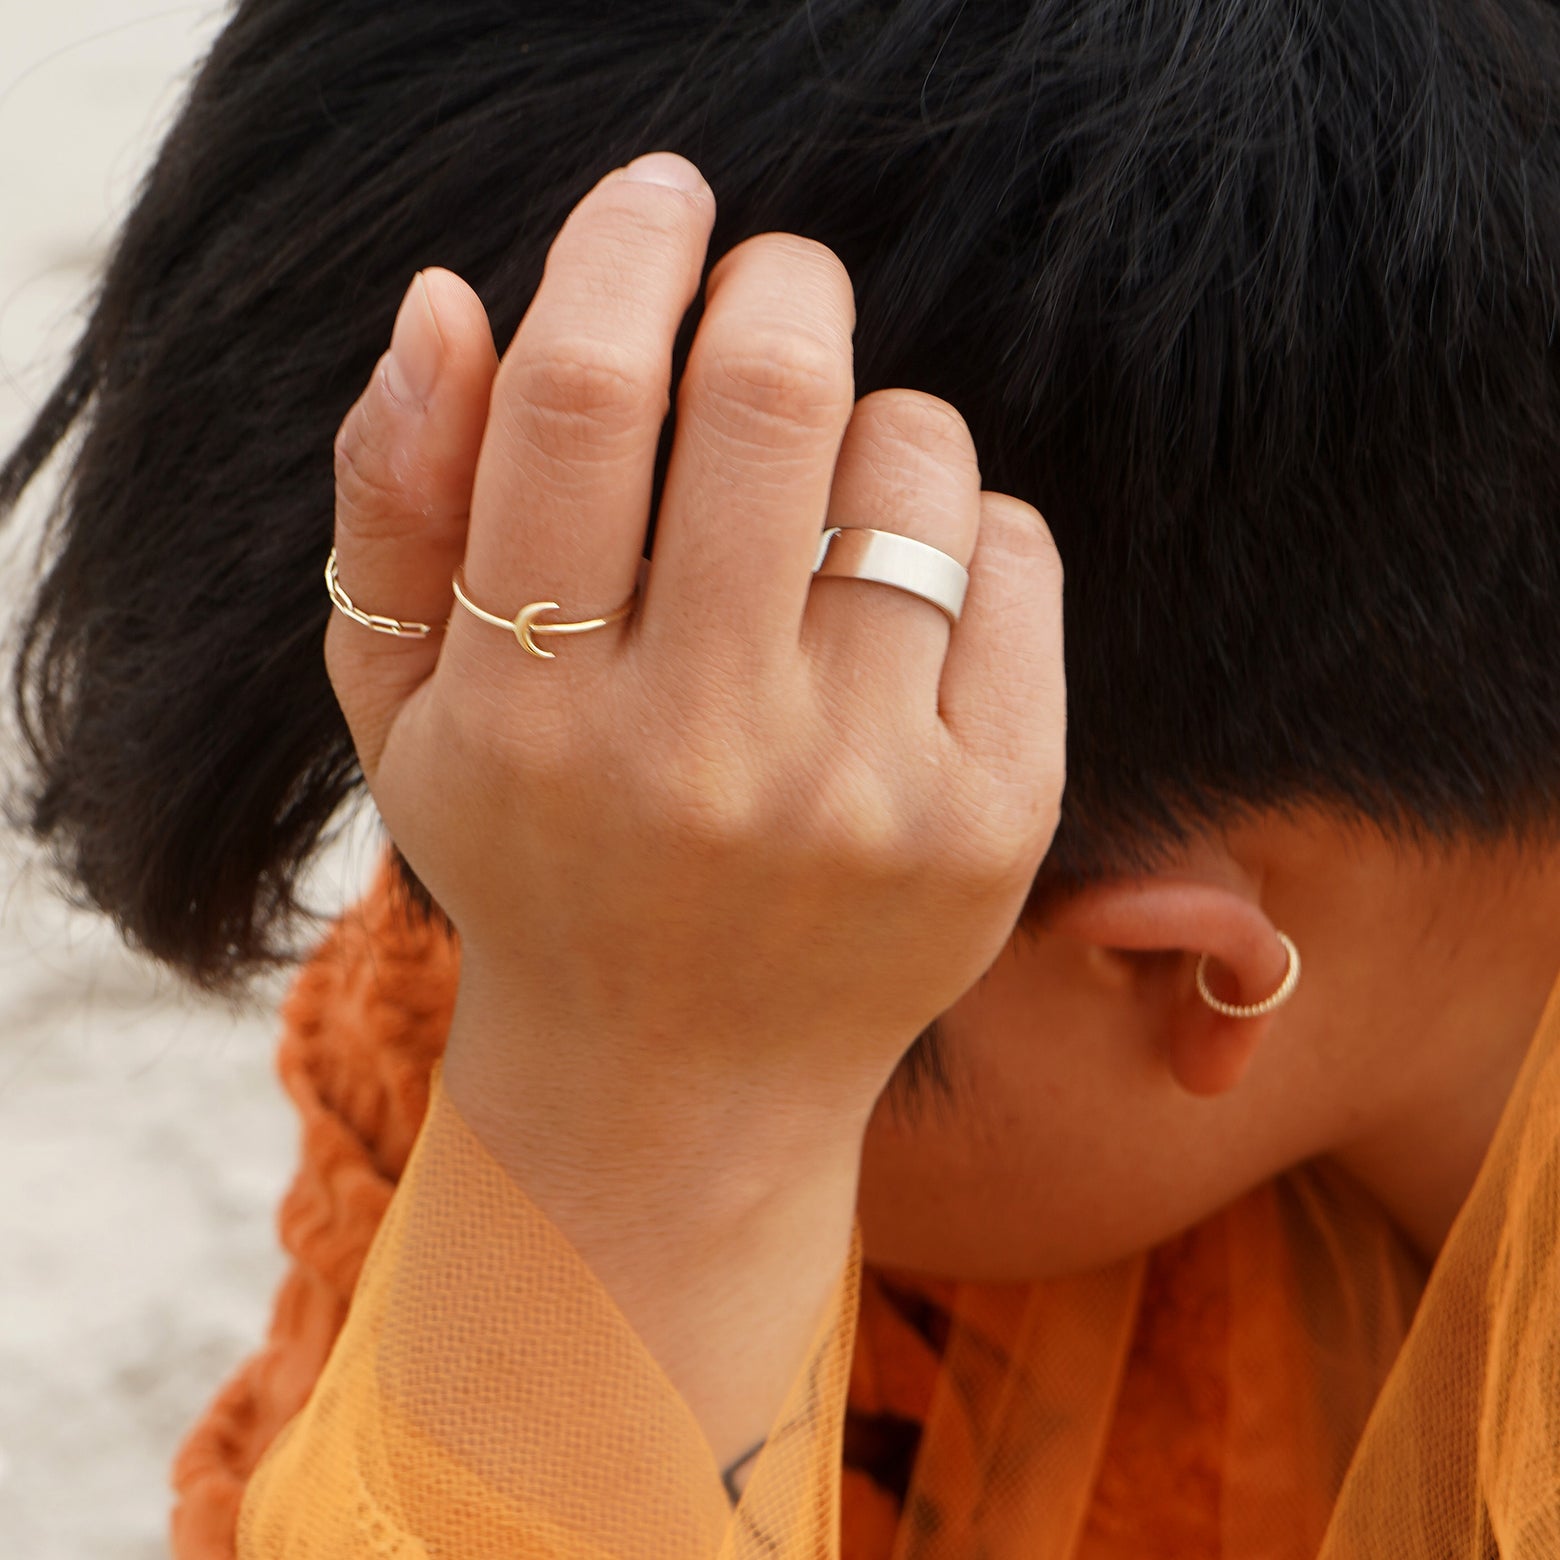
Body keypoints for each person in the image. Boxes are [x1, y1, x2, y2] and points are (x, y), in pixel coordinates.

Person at [4, 1, 1560, 1556]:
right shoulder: (596, 904)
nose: (533, 852)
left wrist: (654, 1137)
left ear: (1182, 974)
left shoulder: (637, 985)